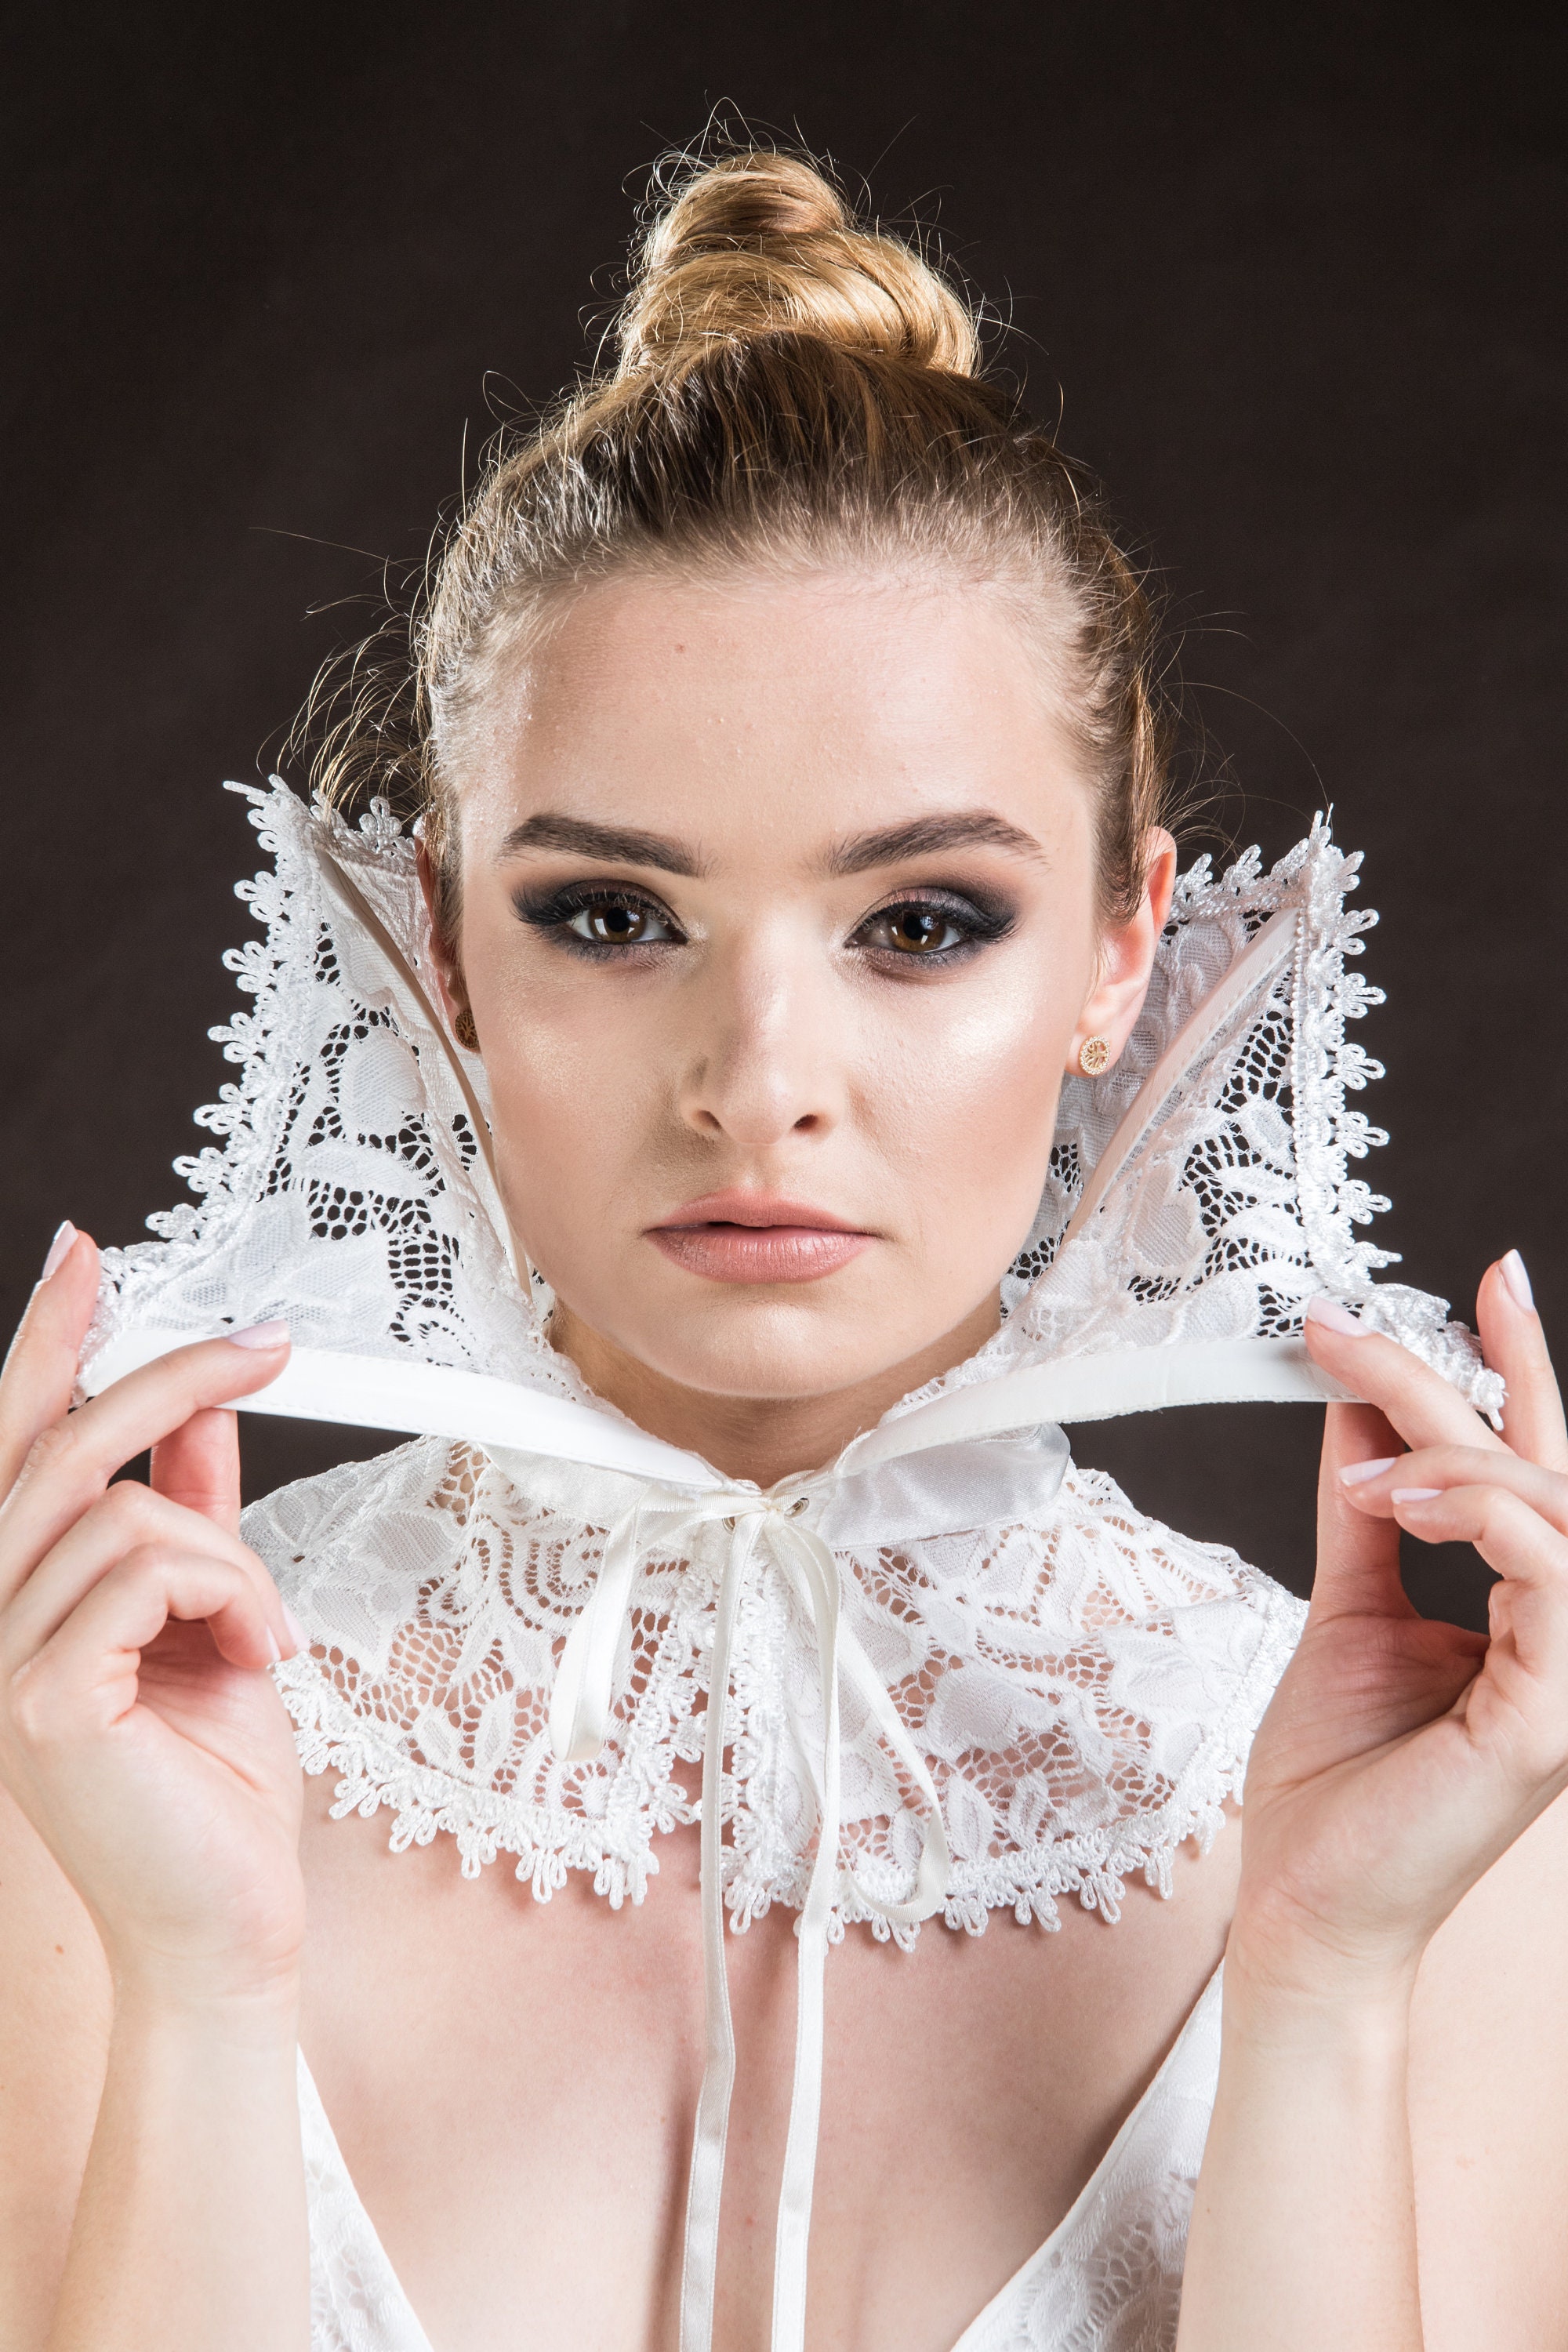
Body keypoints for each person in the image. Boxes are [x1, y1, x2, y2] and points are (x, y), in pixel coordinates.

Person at [2, 144, 1566, 2352]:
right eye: (610, 915)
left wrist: (1324, 1983)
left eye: (921, 923)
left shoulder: (1432, 1818)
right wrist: (196, 1988)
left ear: (1124, 949)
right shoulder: (93, 1760)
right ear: (440, 947)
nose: (758, 1083)